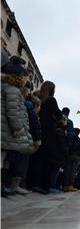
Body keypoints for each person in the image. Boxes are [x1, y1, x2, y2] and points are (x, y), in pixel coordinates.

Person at [1, 61, 34, 196]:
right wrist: (18, 128)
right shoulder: (13, 90)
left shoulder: (5, 87)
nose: (26, 80)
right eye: (25, 77)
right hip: (6, 128)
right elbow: (13, 110)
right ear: (18, 77)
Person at [63, 128, 80, 192]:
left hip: (69, 155)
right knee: (73, 172)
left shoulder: (70, 138)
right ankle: (70, 186)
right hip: (76, 156)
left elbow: (67, 146)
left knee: (67, 171)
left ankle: (65, 186)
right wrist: (78, 155)